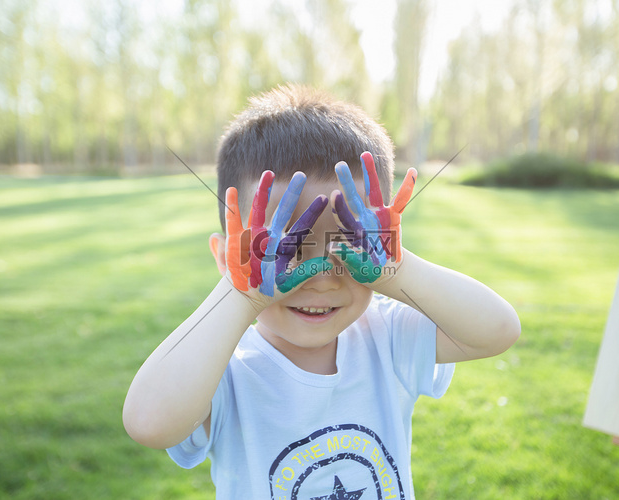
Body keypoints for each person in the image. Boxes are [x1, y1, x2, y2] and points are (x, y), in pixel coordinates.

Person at [122, 84, 520, 499]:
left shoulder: (386, 338)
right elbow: (149, 422)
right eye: (278, 249)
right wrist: (241, 295)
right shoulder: (222, 371)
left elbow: (498, 330)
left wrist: (396, 271)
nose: (319, 278)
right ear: (226, 259)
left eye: (348, 244)